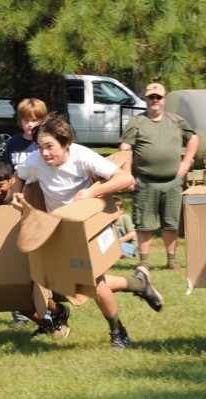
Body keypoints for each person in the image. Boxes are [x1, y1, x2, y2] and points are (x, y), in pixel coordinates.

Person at [11, 113, 163, 349]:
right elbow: (19, 176)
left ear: (66, 143)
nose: (44, 153)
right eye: (40, 147)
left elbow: (125, 177)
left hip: (86, 228)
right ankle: (138, 284)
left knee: (94, 284)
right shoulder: (34, 161)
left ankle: (118, 332)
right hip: (58, 229)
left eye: (50, 147)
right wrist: (17, 194)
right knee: (73, 286)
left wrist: (92, 192)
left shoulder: (83, 157)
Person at [0, 157, 71, 338]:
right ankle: (45, 324)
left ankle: (59, 311)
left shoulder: (23, 194)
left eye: (0, 185)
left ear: (11, 181)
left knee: (37, 294)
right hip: (2, 252)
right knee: (12, 298)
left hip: (28, 250)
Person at [119, 82, 199, 270]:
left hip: (172, 182)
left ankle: (171, 260)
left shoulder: (175, 120)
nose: (155, 100)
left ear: (164, 100)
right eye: (151, 97)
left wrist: (186, 163)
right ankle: (144, 261)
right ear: (146, 99)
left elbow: (193, 138)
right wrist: (127, 174)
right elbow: (125, 147)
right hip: (146, 182)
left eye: (158, 97)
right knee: (144, 225)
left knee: (171, 224)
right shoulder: (136, 122)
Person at [1, 98, 49, 329]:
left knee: (40, 260)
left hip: (40, 207)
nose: (31, 124)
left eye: (36, 119)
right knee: (17, 258)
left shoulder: (45, 146)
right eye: (26, 119)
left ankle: (47, 309)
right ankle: (20, 313)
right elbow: (6, 173)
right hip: (17, 206)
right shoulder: (14, 144)